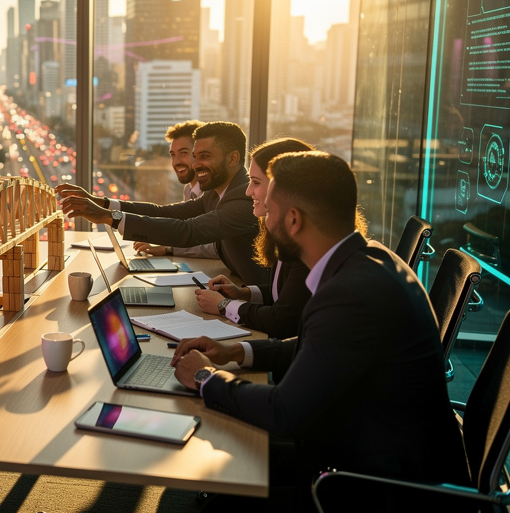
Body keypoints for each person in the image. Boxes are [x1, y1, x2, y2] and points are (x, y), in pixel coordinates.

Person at [171, 152, 469, 511]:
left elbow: (285, 413)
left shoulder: (349, 293)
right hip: (375, 448)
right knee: (229, 459)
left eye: (271, 208)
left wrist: (205, 377)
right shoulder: (368, 258)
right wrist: (237, 352)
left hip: (379, 485)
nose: (262, 214)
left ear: (294, 220)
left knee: (222, 486)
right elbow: (318, 349)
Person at [57, 121, 268, 285]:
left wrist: (107, 218)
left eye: (205, 156)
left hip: (263, 300)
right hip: (240, 285)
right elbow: (168, 213)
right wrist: (103, 203)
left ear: (232, 159)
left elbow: (187, 231)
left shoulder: (243, 199)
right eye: (195, 156)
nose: (196, 165)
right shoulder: (215, 193)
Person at [193, 138, 314, 339]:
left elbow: (283, 320)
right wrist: (244, 294)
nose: (248, 191)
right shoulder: (287, 236)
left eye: (255, 182)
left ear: (285, 187)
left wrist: (224, 305)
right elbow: (287, 296)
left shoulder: (309, 248)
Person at [132, 119, 218, 259]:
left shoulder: (214, 194)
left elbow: (215, 247)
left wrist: (168, 248)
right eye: (173, 154)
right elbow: (185, 232)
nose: (176, 162)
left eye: (183, 153)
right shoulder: (189, 190)